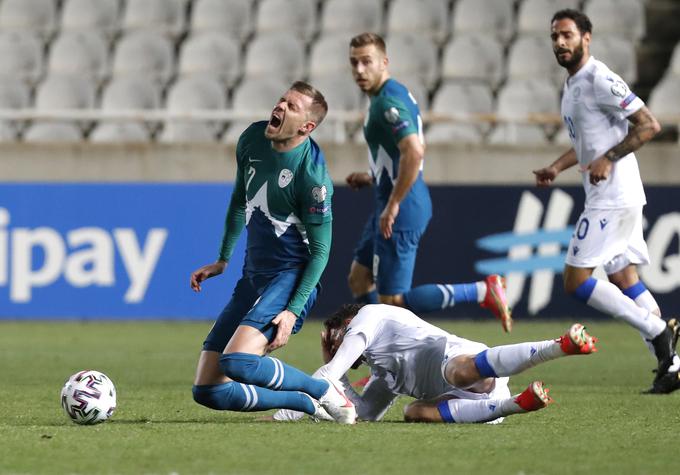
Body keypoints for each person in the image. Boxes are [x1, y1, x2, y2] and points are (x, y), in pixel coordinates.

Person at [189, 81, 355, 423]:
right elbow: (239, 200)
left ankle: (324, 390)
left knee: (237, 362)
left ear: (307, 127)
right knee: (208, 390)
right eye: (281, 99)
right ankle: (307, 405)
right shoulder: (251, 139)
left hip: (289, 279)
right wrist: (223, 259)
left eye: (292, 106)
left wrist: (293, 310)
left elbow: (322, 250)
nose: (279, 107)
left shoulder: (312, 176)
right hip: (254, 276)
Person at [533, 9, 679, 394]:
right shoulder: (573, 85)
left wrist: (608, 159)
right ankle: (672, 364)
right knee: (624, 278)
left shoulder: (599, 79)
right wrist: (557, 166)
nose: (560, 43)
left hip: (613, 198)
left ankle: (658, 330)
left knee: (575, 280)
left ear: (586, 37)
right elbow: (587, 144)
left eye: (567, 35)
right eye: (555, 37)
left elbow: (649, 125)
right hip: (612, 195)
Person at [346, 32, 512, 332]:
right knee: (359, 278)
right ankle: (371, 351)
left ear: (384, 62)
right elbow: (399, 153)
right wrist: (372, 177)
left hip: (402, 205)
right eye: (354, 63)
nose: (359, 70)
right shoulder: (387, 95)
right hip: (390, 202)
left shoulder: (388, 103)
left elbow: (414, 149)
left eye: (366, 62)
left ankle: (483, 291)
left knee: (392, 304)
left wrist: (394, 203)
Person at [272, 303, 597, 424]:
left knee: (458, 373)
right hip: (478, 407)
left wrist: (281, 415)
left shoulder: (368, 317)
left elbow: (328, 376)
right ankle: (515, 404)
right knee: (414, 412)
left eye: (334, 338)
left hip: (464, 360)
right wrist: (332, 365)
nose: (334, 345)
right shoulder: (384, 372)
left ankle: (557, 346)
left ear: (347, 324)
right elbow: (364, 413)